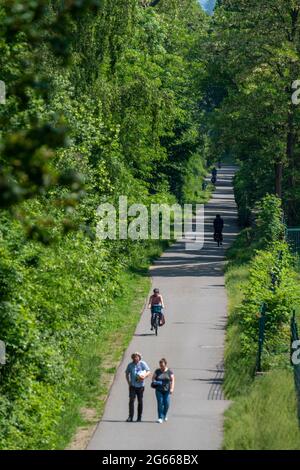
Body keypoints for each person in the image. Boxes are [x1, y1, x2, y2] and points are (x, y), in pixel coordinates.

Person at [125, 352, 151, 422]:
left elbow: (148, 371)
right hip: (133, 386)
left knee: (140, 401)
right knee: (131, 401)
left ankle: (139, 417)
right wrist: (129, 382)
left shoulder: (142, 363)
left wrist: (144, 376)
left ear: (139, 357)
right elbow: (127, 374)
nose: (135, 358)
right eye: (134, 357)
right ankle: (130, 417)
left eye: (137, 357)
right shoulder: (130, 365)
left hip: (140, 386)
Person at [152, 358, 175, 424]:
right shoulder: (157, 371)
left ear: (165, 365)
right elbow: (153, 378)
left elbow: (173, 380)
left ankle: (164, 415)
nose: (161, 367)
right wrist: (155, 382)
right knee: (160, 403)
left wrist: (172, 389)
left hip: (167, 390)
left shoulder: (169, 372)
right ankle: (160, 417)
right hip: (159, 390)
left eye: (162, 365)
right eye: (160, 365)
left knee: (167, 404)